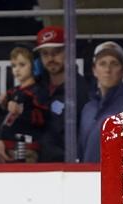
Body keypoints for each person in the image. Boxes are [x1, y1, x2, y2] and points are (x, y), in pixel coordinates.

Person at [31, 26, 89, 163]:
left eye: (56, 52)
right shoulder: (36, 88)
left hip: (67, 169)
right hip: (34, 168)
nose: (50, 58)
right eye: (45, 54)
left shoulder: (81, 90)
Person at [78, 41, 123, 163]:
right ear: (94, 70)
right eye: (102, 63)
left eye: (114, 64)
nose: (108, 69)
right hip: (86, 178)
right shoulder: (88, 108)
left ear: (122, 71)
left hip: (118, 179)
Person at [0, 45, 47, 164]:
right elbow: (5, 121)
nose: (17, 69)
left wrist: (21, 111)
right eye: (14, 66)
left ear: (34, 66)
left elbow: (42, 119)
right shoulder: (12, 92)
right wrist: (3, 105)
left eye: (22, 65)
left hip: (27, 148)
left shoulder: (38, 92)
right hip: (7, 147)